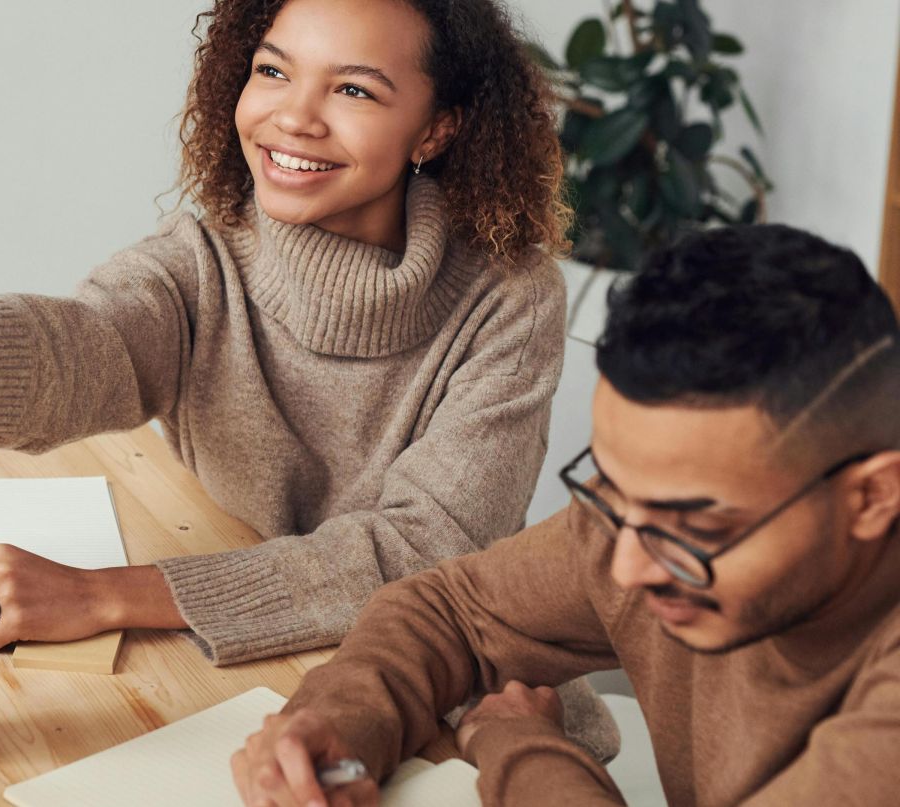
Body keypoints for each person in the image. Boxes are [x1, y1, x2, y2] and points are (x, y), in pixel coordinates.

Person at [0, 0, 573, 669]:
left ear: (435, 130)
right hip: (240, 664)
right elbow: (86, 347)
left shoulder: (509, 299)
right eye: (273, 70)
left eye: (354, 89)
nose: (293, 117)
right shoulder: (205, 258)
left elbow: (425, 550)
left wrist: (104, 594)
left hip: (436, 679)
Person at [231, 224, 900, 806]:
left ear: (872, 497)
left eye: (696, 526)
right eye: (614, 491)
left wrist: (517, 742)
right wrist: (341, 722)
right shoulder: (639, 527)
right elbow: (448, 610)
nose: (626, 568)